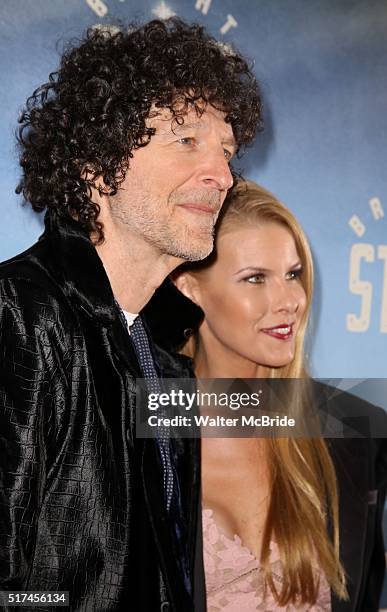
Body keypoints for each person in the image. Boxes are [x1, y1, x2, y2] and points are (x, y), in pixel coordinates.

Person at [0, 20, 263, 611]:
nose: (222, 175)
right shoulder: (18, 315)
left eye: (226, 151)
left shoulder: (164, 356)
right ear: (97, 164)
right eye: (186, 141)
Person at [147, 180, 387, 611]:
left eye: (293, 274)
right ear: (187, 287)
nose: (288, 300)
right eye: (255, 278)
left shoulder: (356, 433)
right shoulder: (137, 433)